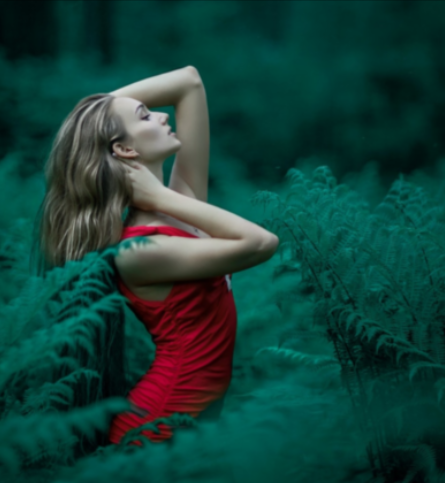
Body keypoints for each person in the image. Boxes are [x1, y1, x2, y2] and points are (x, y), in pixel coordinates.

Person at [32, 66, 279, 447]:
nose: (163, 115)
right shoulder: (140, 249)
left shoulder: (178, 206)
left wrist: (96, 116)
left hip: (191, 420)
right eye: (146, 115)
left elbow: (189, 82)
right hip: (159, 426)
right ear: (126, 149)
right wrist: (158, 194)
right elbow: (262, 243)